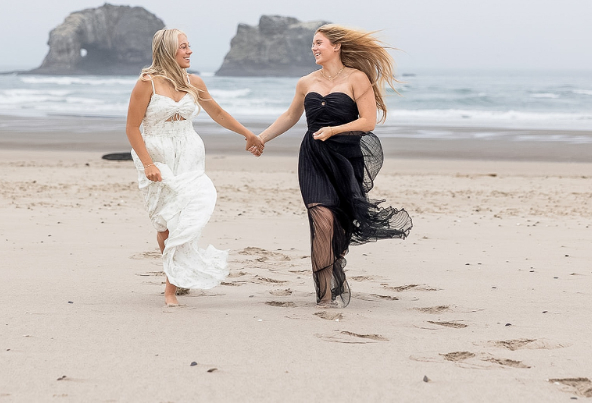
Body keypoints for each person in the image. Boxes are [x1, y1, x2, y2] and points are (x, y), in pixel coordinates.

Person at [257, 24, 412, 307]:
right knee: (321, 219)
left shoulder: (357, 78)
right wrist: (261, 137)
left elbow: (368, 122)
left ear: (336, 46)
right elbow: (291, 116)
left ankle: (335, 264)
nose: (314, 48)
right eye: (312, 45)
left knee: (339, 227)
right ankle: (324, 296)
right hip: (313, 157)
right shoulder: (305, 82)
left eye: (319, 43)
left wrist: (334, 131)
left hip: (344, 158)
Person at [126, 28, 264, 307]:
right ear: (167, 51)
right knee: (164, 224)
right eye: (183, 47)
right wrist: (148, 163)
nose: (189, 51)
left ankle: (171, 289)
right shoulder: (147, 83)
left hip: (189, 153)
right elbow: (132, 128)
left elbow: (218, 113)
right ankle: (174, 273)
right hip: (157, 156)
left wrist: (247, 134)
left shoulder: (194, 82)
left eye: (189, 46)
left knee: (185, 218)